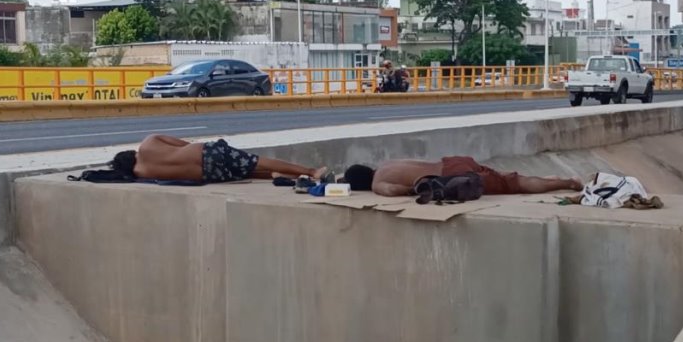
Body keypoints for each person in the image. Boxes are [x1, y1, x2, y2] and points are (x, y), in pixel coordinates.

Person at [109, 134, 327, 183]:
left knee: (246, 171)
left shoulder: (141, 174)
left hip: (208, 175)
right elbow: (184, 145)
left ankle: (277, 176)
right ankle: (310, 171)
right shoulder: (148, 143)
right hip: (205, 153)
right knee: (256, 161)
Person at [342, 156, 583, 197]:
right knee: (507, 179)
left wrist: (409, 190)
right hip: (450, 161)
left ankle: (566, 182)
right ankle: (553, 179)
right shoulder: (387, 164)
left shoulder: (377, 183)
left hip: (452, 175)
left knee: (515, 186)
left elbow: (391, 191)